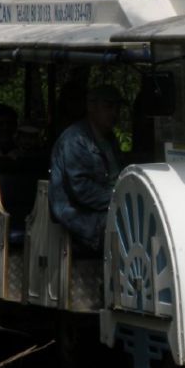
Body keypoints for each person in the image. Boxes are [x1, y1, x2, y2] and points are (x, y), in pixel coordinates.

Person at [49, 84, 125, 253]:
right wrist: (120, 200)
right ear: (91, 107)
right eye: (108, 106)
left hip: (105, 209)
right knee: (128, 224)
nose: (115, 113)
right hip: (79, 217)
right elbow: (82, 191)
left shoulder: (110, 139)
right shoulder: (75, 140)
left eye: (117, 108)